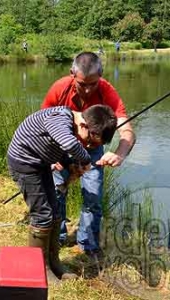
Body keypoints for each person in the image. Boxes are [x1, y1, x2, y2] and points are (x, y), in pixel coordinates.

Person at [7, 104, 118, 282]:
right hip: (24, 165)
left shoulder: (72, 126)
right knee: (42, 215)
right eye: (90, 141)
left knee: (55, 211)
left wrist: (70, 164)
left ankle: (53, 262)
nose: (88, 145)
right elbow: (68, 143)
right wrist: (86, 161)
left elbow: (62, 148)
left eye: (92, 145)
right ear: (84, 125)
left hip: (40, 164)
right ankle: (39, 270)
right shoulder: (60, 117)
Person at [41, 52, 136, 254]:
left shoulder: (107, 91)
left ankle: (88, 245)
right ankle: (57, 238)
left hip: (93, 153)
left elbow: (126, 130)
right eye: (82, 84)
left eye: (93, 84)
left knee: (93, 198)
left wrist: (119, 153)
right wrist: (48, 159)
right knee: (56, 193)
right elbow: (43, 123)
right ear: (72, 74)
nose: (87, 89)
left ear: (100, 75)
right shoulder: (60, 88)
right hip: (60, 150)